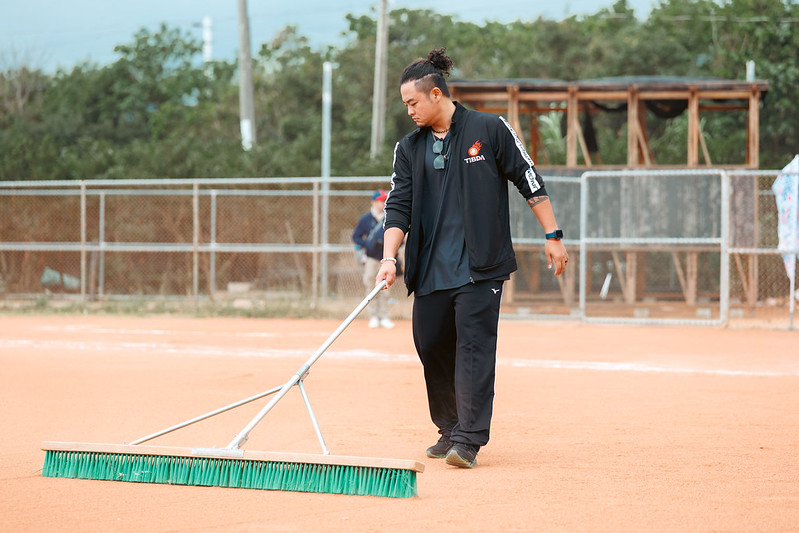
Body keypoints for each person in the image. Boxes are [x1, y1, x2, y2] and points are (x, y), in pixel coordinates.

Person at [375, 48, 568, 469]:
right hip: (430, 268)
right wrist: (390, 257)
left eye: (413, 102)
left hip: (480, 267)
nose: (408, 110)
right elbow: (399, 206)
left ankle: (469, 438)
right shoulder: (409, 149)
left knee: (474, 349)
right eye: (405, 104)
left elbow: (528, 176)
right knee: (430, 344)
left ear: (437, 95)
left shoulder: (489, 128)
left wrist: (553, 235)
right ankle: (449, 426)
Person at [352, 189, 395, 328]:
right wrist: (368, 244)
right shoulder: (366, 219)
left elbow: (399, 237)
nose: (383, 204)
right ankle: (374, 316)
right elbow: (356, 236)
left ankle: (384, 316)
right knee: (371, 285)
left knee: (386, 288)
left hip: (386, 258)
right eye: (381, 201)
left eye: (385, 201)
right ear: (374, 202)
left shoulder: (390, 217)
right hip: (371, 257)